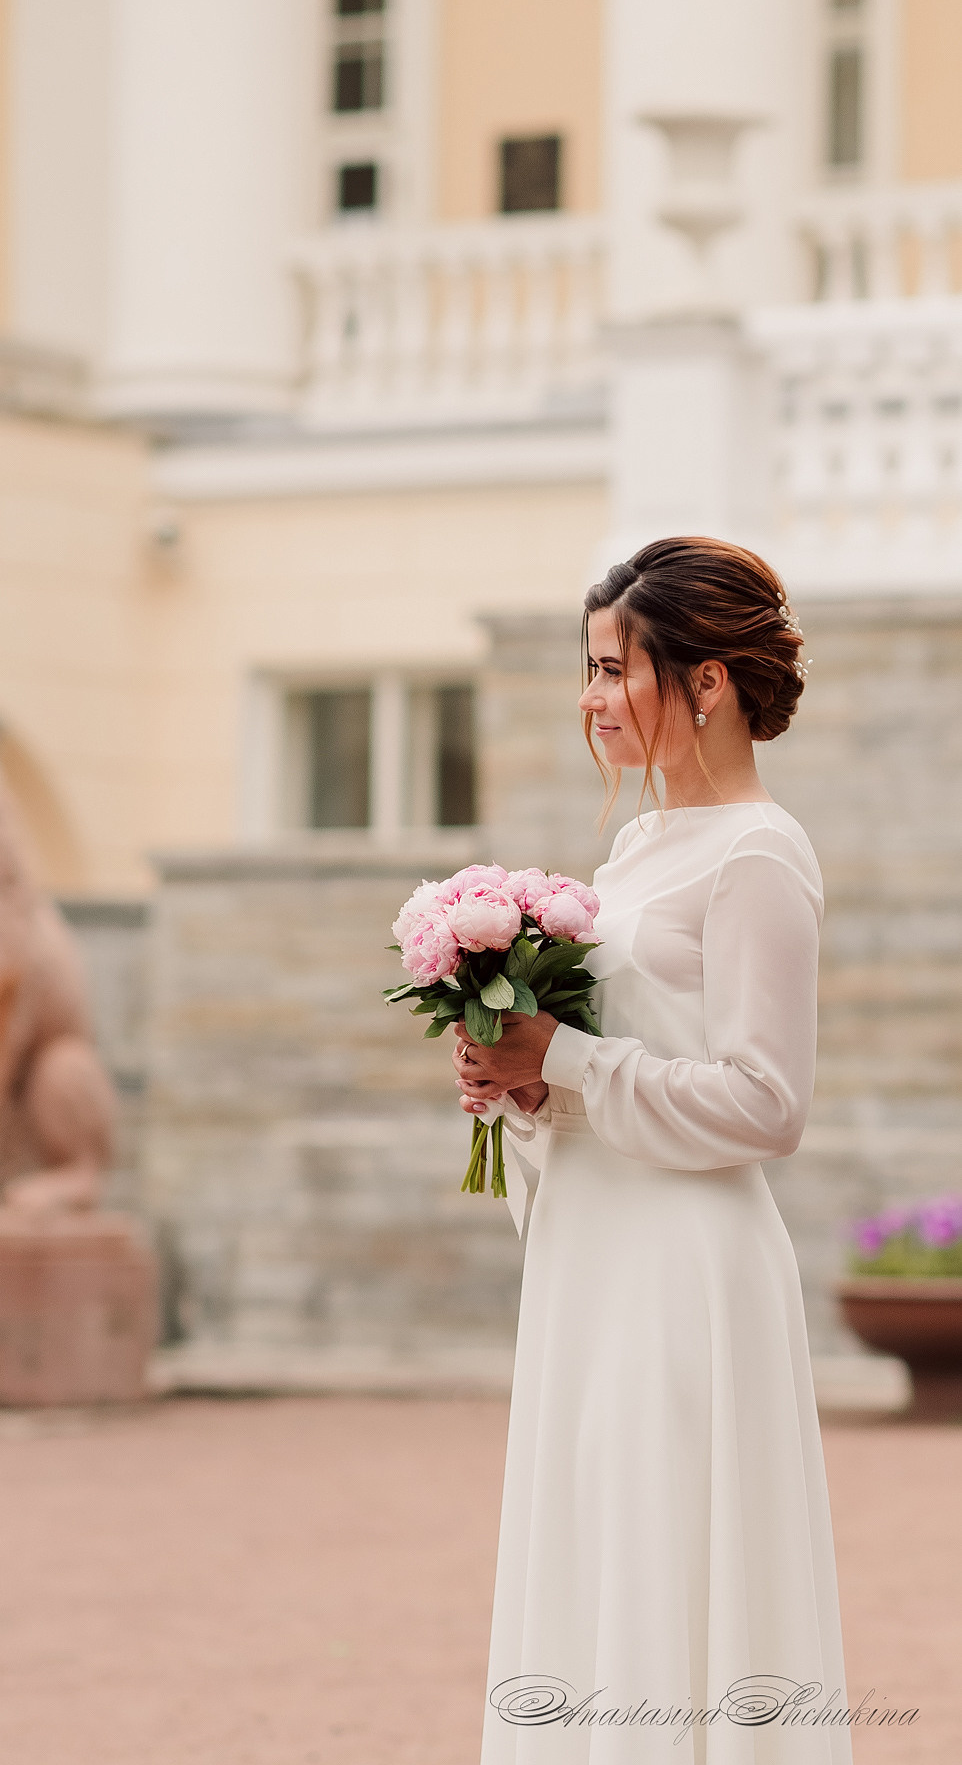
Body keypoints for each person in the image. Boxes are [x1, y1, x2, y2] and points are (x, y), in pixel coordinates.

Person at [454, 537, 852, 1763]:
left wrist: (560, 1062)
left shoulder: (758, 856)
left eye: (611, 670)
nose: (588, 700)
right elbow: (609, 1062)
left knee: (668, 1546)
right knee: (593, 1541)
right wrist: (512, 1088)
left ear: (708, 682)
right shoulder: (632, 854)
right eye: (587, 671)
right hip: (592, 1255)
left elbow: (763, 1103)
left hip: (684, 1272)